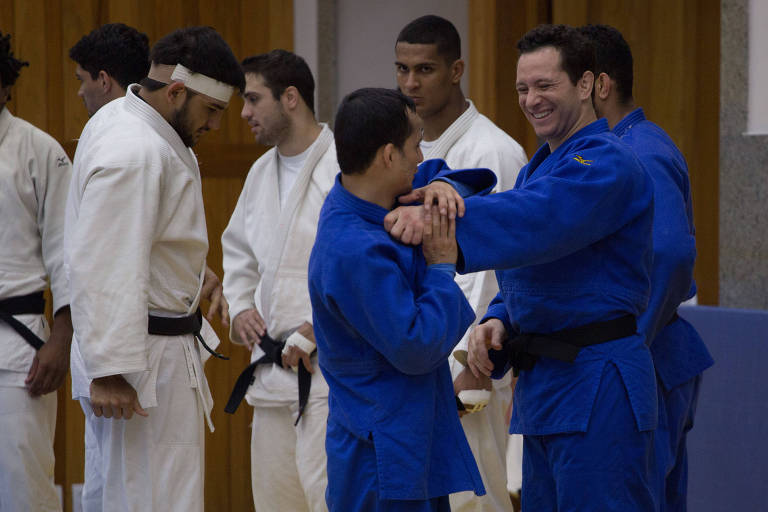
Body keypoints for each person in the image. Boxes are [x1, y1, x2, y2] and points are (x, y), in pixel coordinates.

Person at [388, 24, 658, 510]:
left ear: (586, 84)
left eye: (545, 86)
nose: (531, 100)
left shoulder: (609, 163)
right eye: (522, 88)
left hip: (598, 381)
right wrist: (499, 317)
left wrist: (438, 220)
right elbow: (536, 267)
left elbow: (537, 221)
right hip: (546, 387)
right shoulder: (542, 166)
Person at [64, 26, 243, 511]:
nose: (215, 126)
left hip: (146, 350)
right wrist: (112, 369)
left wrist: (186, 273)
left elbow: (138, 236)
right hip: (142, 364)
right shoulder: (136, 151)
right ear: (177, 91)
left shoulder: (128, 119)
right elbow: (105, 263)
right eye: (212, 111)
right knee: (153, 498)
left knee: (125, 493)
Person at [309, 87, 497, 511]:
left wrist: (444, 187)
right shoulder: (353, 247)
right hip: (380, 452)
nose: (420, 157)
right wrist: (441, 268)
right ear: (389, 156)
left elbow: (469, 178)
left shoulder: (374, 196)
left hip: (410, 436)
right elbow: (415, 347)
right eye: (415, 145)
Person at [392, 15, 527, 511]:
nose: (410, 82)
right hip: (418, 352)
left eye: (424, 69)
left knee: (476, 496)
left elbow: (505, 264)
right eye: (402, 69)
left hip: (471, 357)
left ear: (456, 70)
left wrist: (470, 365)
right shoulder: (409, 146)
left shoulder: (495, 150)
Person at [580, 24, 714, 511]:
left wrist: (627, 338)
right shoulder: (622, 146)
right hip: (648, 358)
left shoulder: (638, 152)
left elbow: (673, 254)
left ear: (599, 85)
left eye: (567, 80)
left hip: (648, 360)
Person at [221, 49, 337, 512]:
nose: (244, 113)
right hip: (270, 375)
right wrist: (241, 304)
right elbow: (239, 256)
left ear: (291, 97)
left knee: (329, 500)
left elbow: (366, 267)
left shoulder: (343, 166)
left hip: (328, 375)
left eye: (253, 99)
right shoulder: (259, 172)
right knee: (275, 503)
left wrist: (321, 327)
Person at [0, 29, 72, 512]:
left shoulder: (39, 151)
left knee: (24, 488)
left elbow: (68, 256)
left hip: (18, 345)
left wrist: (61, 339)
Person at [69, 23, 150, 116]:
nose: (80, 93)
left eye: (81, 80)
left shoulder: (108, 128)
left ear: (104, 81)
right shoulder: (156, 125)